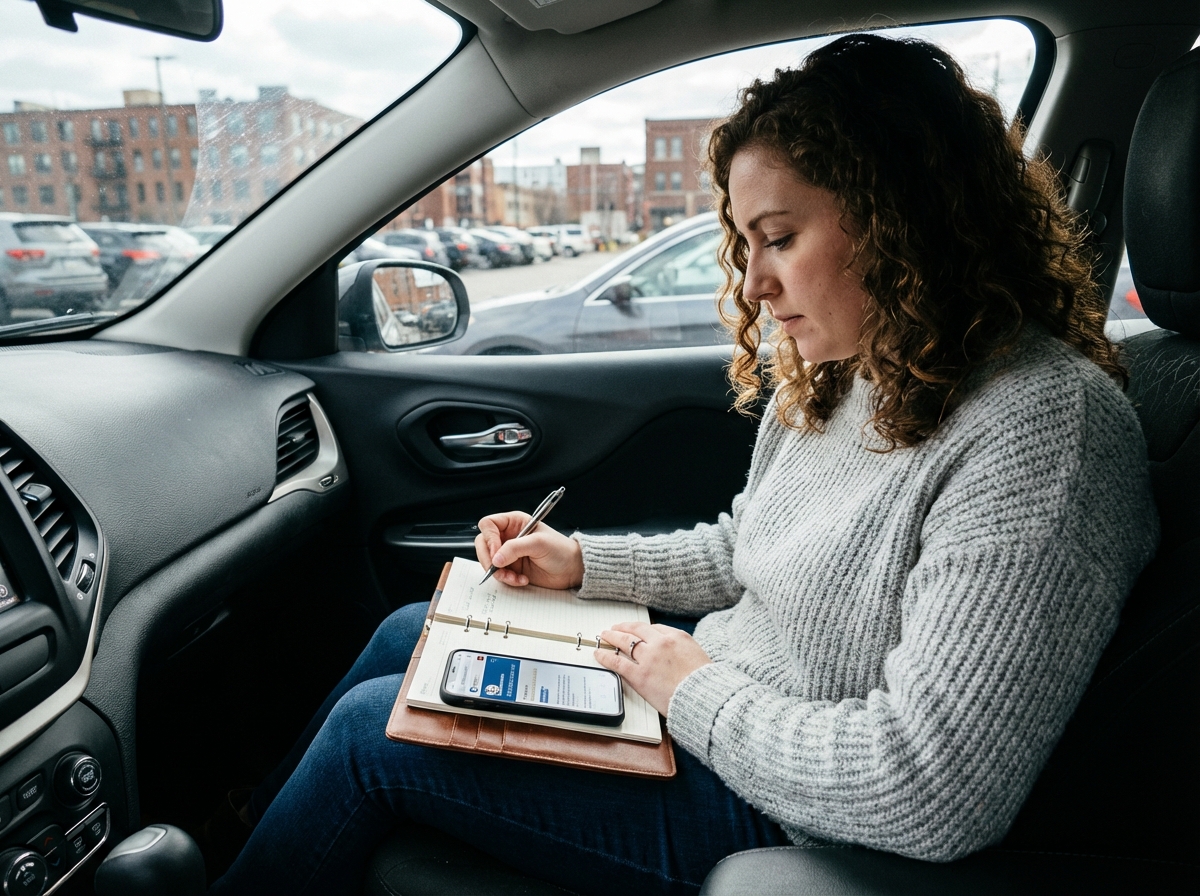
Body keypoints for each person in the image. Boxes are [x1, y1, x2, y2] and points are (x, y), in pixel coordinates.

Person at [210, 33, 1158, 895]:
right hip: (714, 711)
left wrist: (688, 687)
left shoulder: (1045, 432)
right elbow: (750, 548)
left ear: (905, 218)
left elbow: (929, 788)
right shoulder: (854, 369)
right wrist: (582, 564)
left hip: (792, 812)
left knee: (368, 735)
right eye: (746, 245)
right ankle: (252, 839)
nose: (755, 283)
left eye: (780, 238)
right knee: (412, 631)